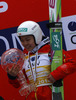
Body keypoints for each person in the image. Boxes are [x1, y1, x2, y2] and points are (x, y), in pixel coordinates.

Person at [7, 21, 76, 100]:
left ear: (37, 36)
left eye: (28, 39)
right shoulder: (25, 56)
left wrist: (56, 74)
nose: (25, 43)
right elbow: (18, 84)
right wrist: (12, 76)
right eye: (22, 40)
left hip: (51, 96)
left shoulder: (51, 50)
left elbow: (72, 63)